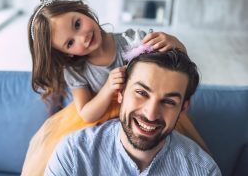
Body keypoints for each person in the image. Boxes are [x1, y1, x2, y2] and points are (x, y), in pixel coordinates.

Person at [21, 0, 207, 176]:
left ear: (81, 10)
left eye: (77, 24)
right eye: (70, 42)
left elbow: (173, 70)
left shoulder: (130, 40)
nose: (82, 38)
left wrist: (176, 44)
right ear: (67, 53)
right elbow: (86, 113)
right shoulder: (76, 70)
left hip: (141, 109)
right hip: (101, 121)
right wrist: (108, 88)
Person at [45, 49, 222, 175]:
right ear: (120, 93)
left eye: (169, 101)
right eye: (141, 93)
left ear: (183, 107)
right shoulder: (73, 153)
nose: (151, 114)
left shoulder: (204, 171)